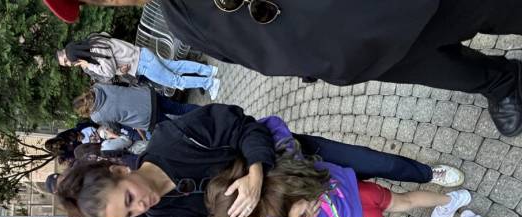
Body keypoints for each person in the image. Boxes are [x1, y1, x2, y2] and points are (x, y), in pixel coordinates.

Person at [43, 0, 522, 138]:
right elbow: (252, 51)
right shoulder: (178, 20)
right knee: (441, 69)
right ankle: (501, 80)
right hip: (353, 53)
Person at [56, 104, 466, 217]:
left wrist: (255, 171)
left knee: (375, 165)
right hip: (300, 205)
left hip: (302, 160)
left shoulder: (172, 140)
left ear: (118, 170)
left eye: (128, 197)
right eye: (128, 214)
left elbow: (243, 126)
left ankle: (427, 175)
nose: (139, 208)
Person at [204, 118, 490, 217]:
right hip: (361, 192)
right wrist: (254, 165)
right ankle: (451, 199)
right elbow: (273, 125)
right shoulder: (285, 166)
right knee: (405, 201)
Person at [58, 33, 221, 99]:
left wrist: (89, 65)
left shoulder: (95, 52)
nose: (71, 64)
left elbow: (107, 73)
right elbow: (113, 62)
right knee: (175, 67)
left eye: (69, 61)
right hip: (142, 57)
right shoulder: (93, 40)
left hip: (142, 64)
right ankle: (209, 71)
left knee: (175, 81)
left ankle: (210, 82)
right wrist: (118, 68)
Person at [73, 83, 200, 133]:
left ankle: (202, 129)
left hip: (145, 117)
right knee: (179, 109)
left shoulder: (96, 116)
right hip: (147, 96)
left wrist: (110, 130)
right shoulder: (98, 87)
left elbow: (116, 127)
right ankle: (208, 112)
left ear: (84, 111)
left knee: (176, 128)